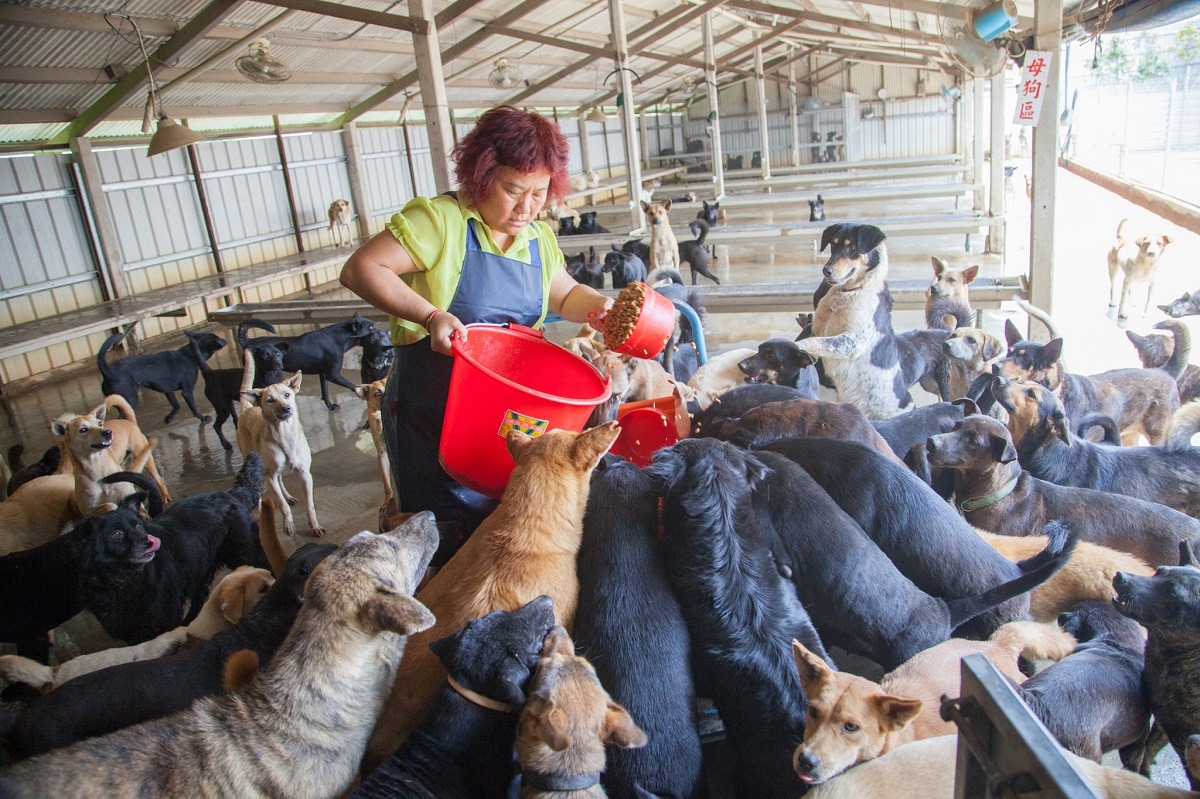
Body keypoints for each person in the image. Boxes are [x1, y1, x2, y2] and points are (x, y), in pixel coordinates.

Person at [339, 106, 611, 567]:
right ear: (483, 175)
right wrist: (429, 316)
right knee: (436, 540)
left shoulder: (538, 238)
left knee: (500, 534)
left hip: (506, 421)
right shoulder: (441, 221)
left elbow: (563, 294)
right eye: (512, 190)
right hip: (433, 415)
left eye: (539, 193)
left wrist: (600, 308)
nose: (526, 207)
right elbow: (361, 268)